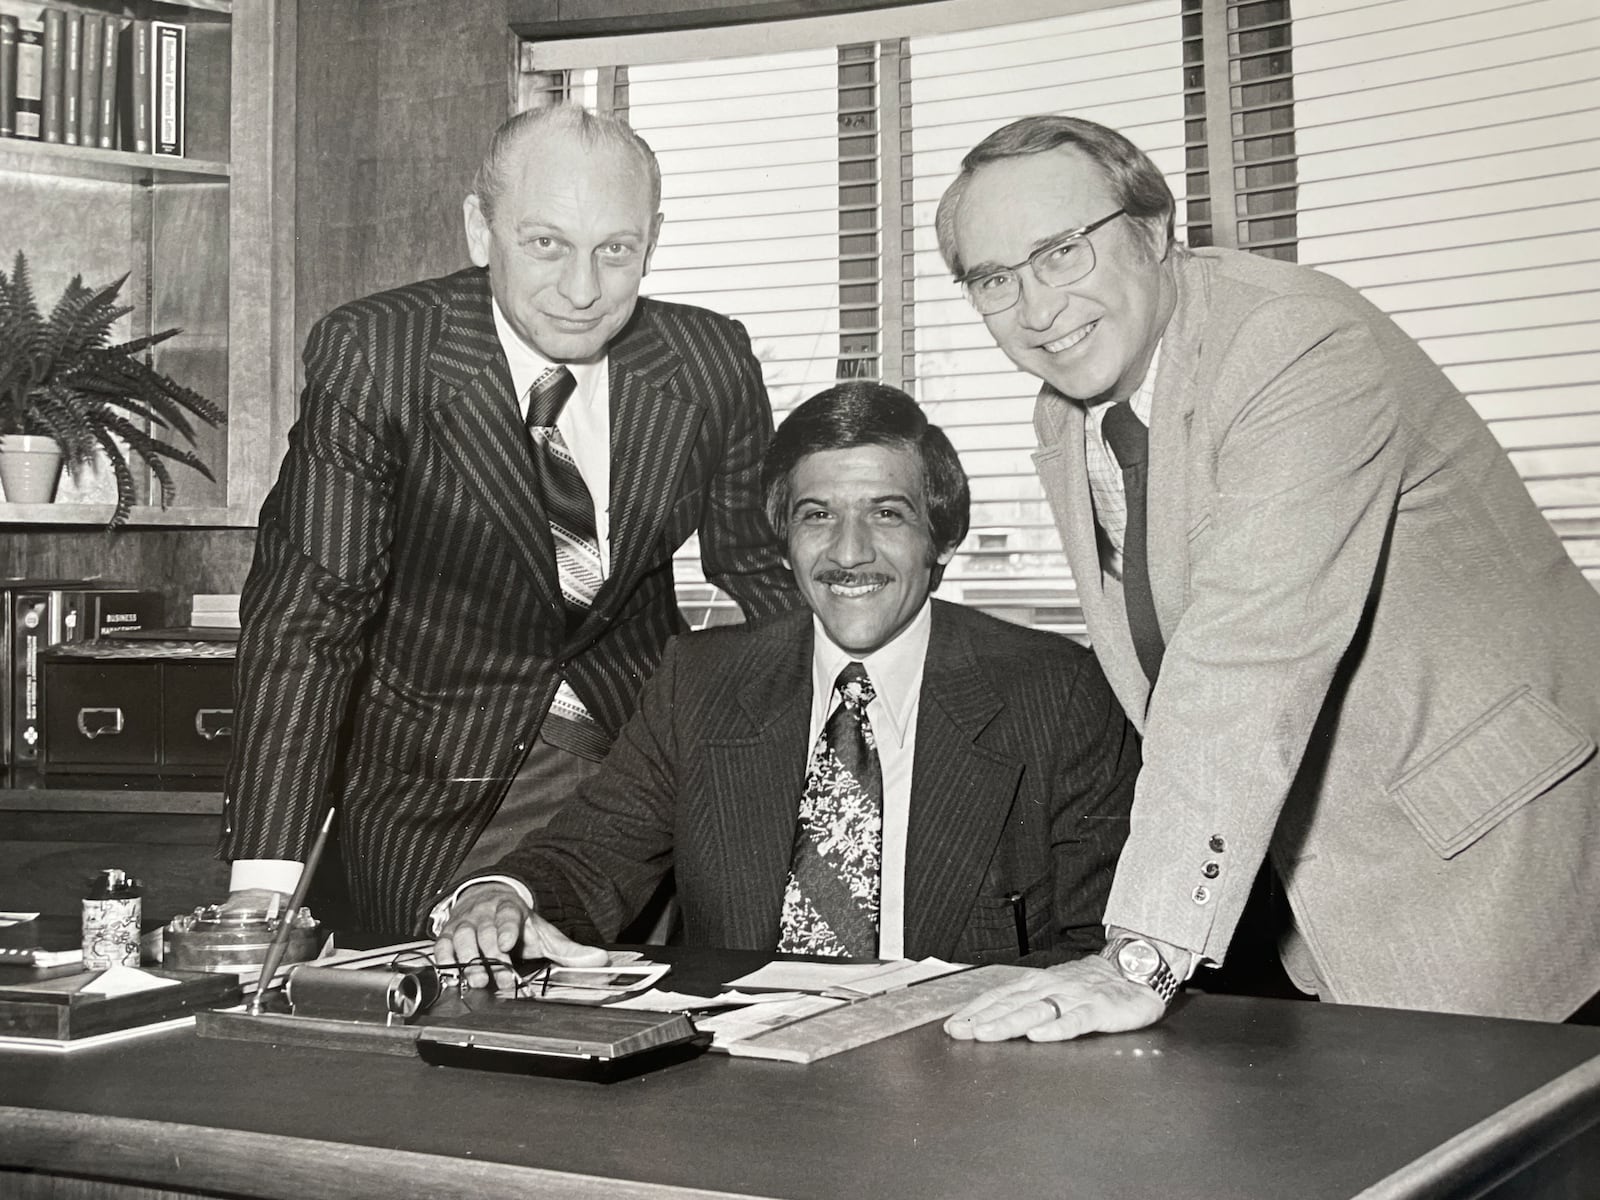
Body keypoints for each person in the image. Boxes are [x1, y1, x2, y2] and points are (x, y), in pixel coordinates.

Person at [933, 114, 1600, 1039]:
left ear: (1154, 228)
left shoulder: (1293, 343)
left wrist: (1141, 956)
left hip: (1496, 849)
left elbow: (1246, 658)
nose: (1036, 309)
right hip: (1317, 877)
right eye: (995, 279)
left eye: (1060, 253)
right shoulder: (1071, 410)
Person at [219, 104, 798, 933]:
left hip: (638, 790)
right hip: (433, 787)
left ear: (652, 241)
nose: (583, 289)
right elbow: (309, 621)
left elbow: (763, 573)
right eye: (546, 244)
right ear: (479, 229)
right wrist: (266, 887)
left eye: (615, 250)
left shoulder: (709, 363)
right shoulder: (381, 355)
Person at [433, 382, 1139, 984]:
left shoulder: (1060, 693)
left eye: (887, 514)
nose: (848, 552)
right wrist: (500, 894)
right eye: (817, 516)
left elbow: (1103, 945)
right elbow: (586, 857)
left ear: (943, 539)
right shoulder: (700, 681)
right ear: (785, 543)